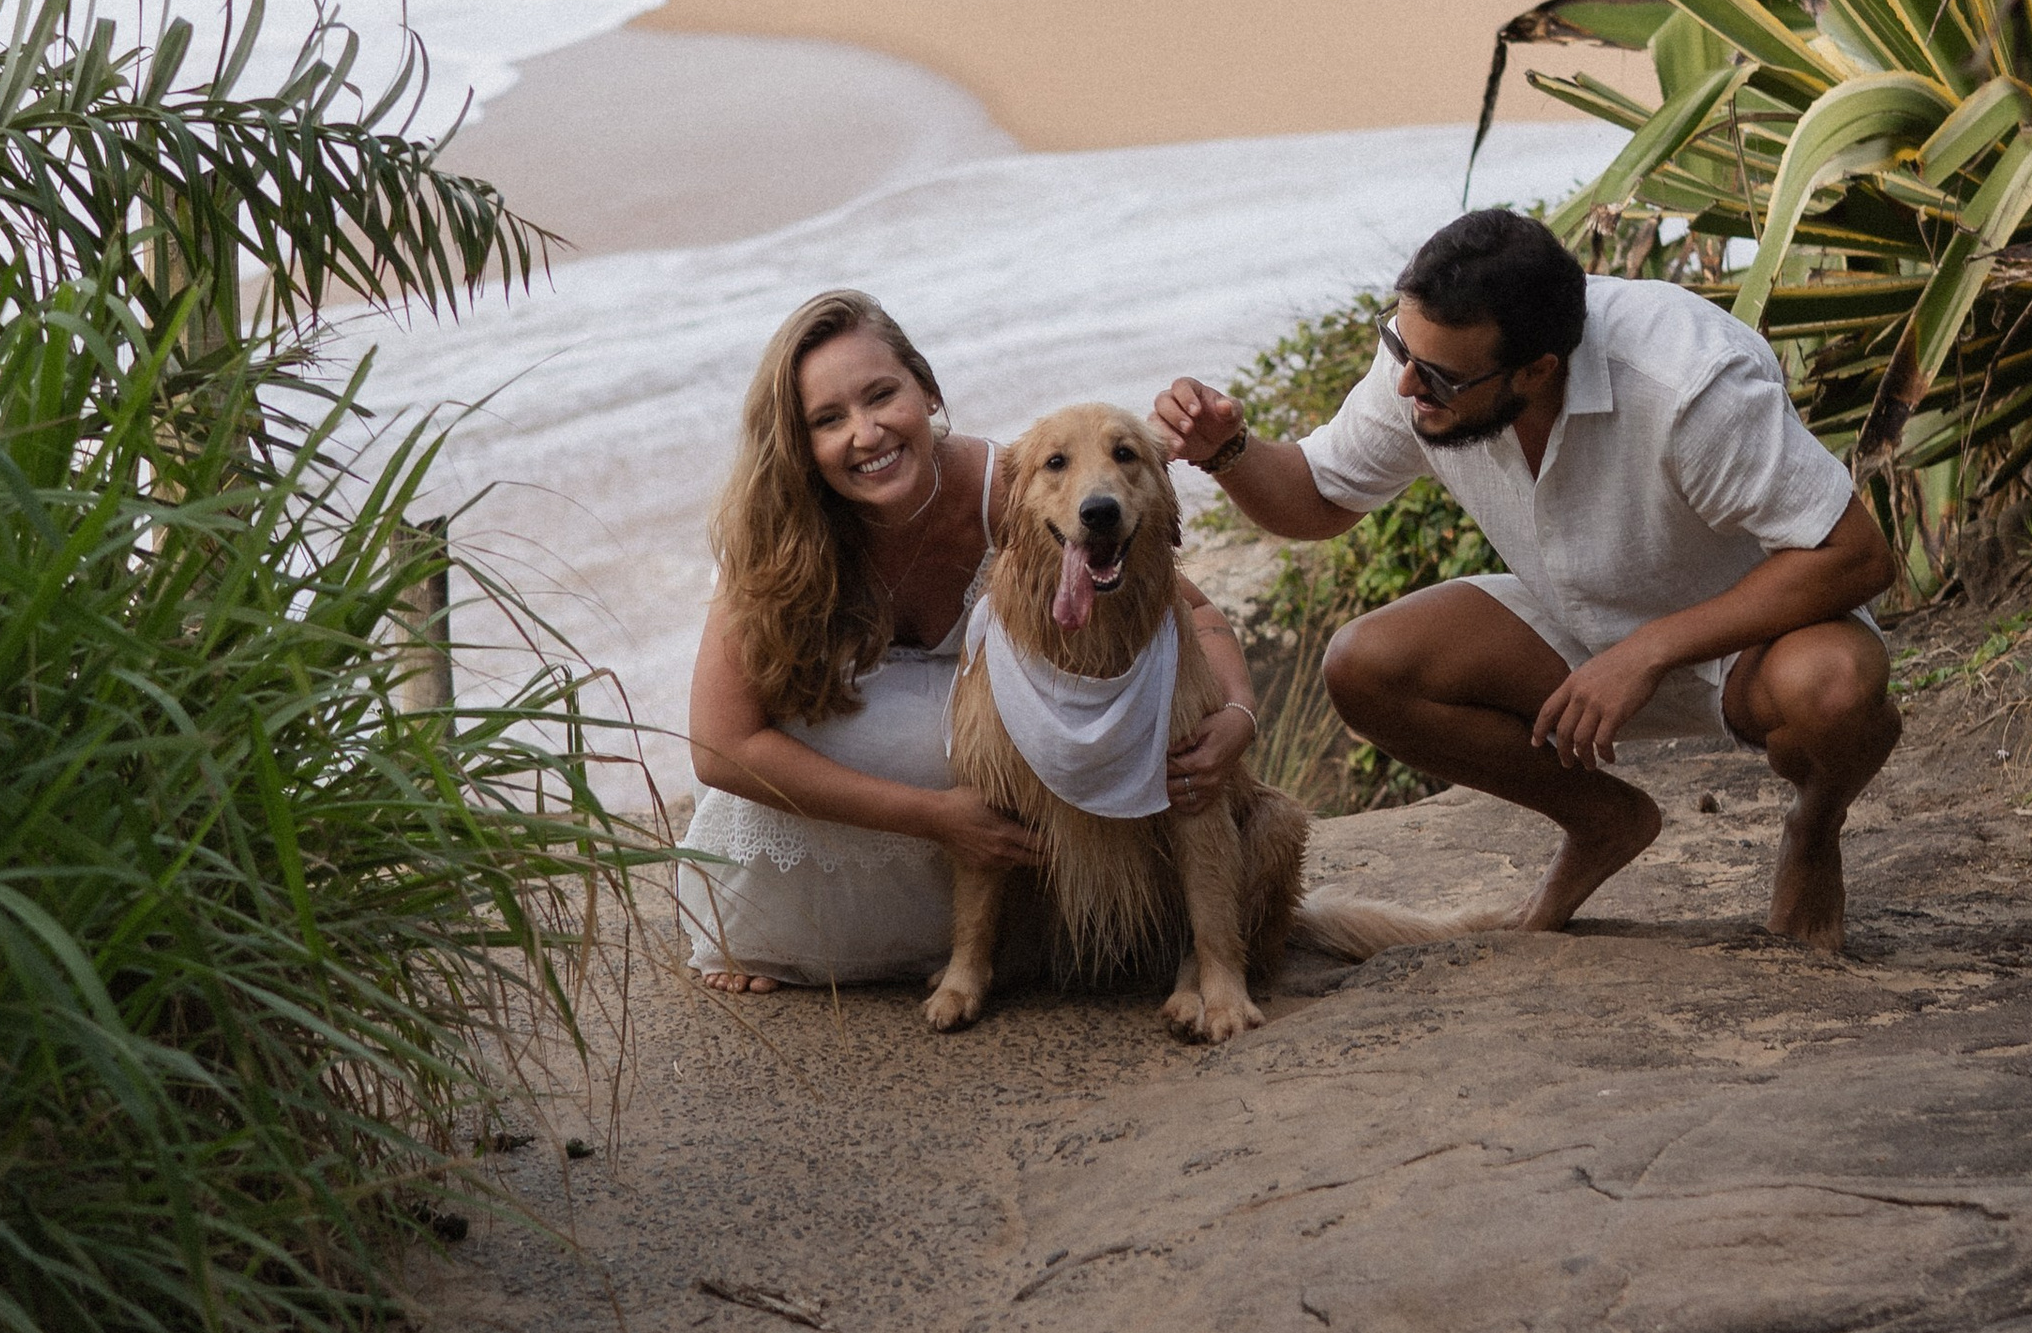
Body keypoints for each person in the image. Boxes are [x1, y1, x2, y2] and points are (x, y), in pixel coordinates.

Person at [1154, 207, 1897, 953]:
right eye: (1398, 348)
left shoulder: (1689, 382)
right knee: (1364, 666)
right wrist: (1227, 451)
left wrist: (1648, 652)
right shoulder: (1427, 364)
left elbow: (1856, 556)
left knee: (1833, 689)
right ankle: (1603, 821)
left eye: (1438, 377)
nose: (1407, 383)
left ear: (1538, 369)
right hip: (1574, 631)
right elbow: (1318, 496)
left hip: (1756, 645)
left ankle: (1814, 826)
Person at [682, 288, 1260, 990]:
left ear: (926, 390)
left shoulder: (1018, 490)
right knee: (938, 735)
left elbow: (1192, 615)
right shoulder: (773, 533)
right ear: (799, 445)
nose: (865, 433)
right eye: (829, 420)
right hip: (851, 844)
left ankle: (1018, 941)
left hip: (1011, 858)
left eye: (881, 396)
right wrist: (937, 817)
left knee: (975, 735)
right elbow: (718, 746)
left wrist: (1237, 715)